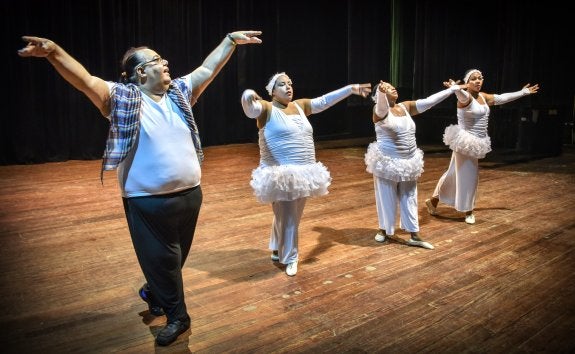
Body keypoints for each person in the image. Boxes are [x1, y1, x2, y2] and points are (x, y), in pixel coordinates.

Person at [17, 30, 262, 346]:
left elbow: (206, 69)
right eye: (158, 60)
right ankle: (178, 317)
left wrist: (229, 41)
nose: (166, 62)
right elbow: (84, 80)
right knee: (164, 261)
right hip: (147, 201)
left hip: (190, 196)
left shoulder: (179, 93)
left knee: (172, 261)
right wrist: (54, 52)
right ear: (140, 72)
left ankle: (154, 292)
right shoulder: (120, 98)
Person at [240, 73, 371, 276]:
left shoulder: (300, 106)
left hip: (304, 171)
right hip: (280, 173)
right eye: (282, 84)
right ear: (272, 91)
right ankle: (290, 257)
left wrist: (350, 88)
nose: (288, 87)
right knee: (289, 216)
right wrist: (249, 94)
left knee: (287, 214)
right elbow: (249, 109)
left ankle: (277, 246)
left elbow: (325, 101)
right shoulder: (266, 108)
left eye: (290, 83)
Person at [425, 69, 539, 224]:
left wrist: (523, 92)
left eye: (480, 78)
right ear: (467, 82)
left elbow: (501, 98)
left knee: (453, 173)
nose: (478, 81)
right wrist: (455, 88)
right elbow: (461, 95)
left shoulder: (484, 97)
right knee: (470, 176)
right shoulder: (465, 98)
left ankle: (433, 201)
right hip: (466, 142)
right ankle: (468, 211)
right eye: (474, 79)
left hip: (477, 141)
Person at [365, 80, 463, 250]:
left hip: (408, 161)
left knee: (409, 197)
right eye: (387, 87)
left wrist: (452, 90)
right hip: (387, 161)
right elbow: (381, 108)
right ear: (377, 96)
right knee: (386, 196)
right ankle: (384, 230)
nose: (392, 87)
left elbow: (429, 101)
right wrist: (381, 93)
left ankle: (414, 234)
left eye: (391, 85)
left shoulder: (405, 107)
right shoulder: (378, 111)